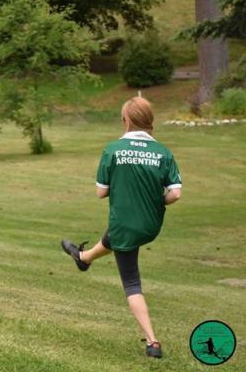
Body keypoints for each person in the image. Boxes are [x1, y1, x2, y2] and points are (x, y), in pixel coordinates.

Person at [61, 96, 182, 359]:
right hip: (150, 224)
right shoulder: (164, 153)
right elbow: (175, 194)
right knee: (117, 236)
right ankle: (83, 258)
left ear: (125, 120)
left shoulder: (113, 149)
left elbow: (100, 192)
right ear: (150, 121)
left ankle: (152, 341)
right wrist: (153, 200)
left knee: (131, 281)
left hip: (124, 224)